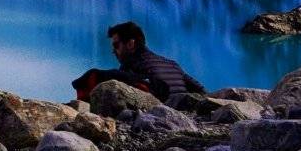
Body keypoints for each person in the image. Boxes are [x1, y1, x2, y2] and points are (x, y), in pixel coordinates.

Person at [72, 20, 206, 100]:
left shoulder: (130, 66)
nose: (114, 51)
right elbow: (200, 90)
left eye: (116, 45)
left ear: (131, 44)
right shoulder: (172, 64)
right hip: (182, 110)